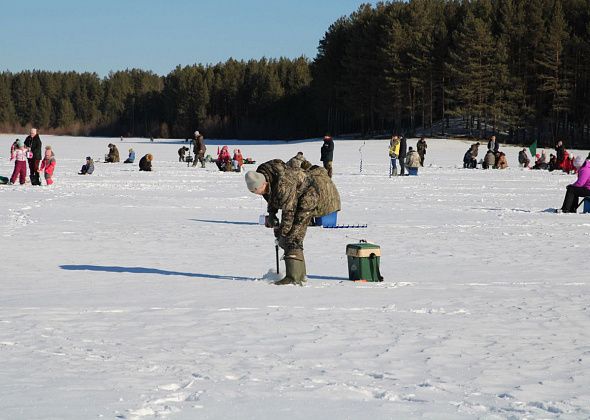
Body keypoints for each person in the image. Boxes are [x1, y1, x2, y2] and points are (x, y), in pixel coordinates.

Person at [245, 158, 340, 285]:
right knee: (289, 236)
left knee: (293, 235)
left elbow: (288, 213)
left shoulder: (283, 184)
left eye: (256, 191)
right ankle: (299, 275)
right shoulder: (264, 175)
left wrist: (281, 232)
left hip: (309, 196)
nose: (257, 194)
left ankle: (294, 277)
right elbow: (271, 195)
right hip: (295, 194)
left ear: (263, 184)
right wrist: (272, 213)